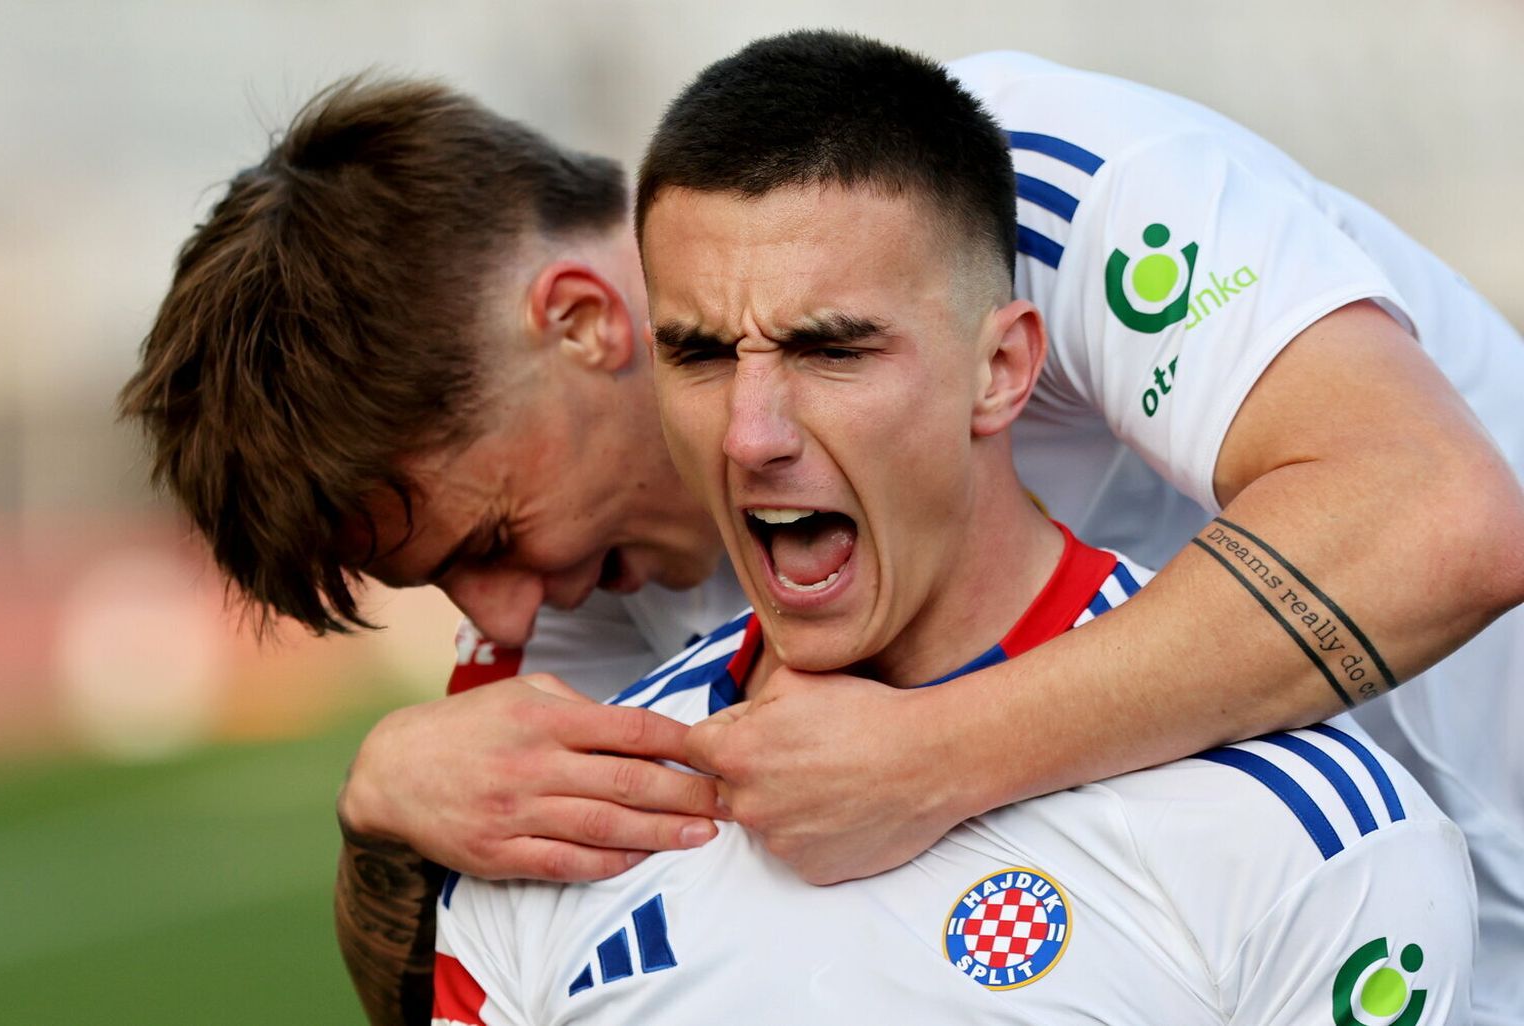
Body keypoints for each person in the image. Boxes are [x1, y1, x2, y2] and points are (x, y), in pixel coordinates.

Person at [118, 35, 1524, 1026]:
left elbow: (1443, 518)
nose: (498, 616)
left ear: (583, 322)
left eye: (486, 535)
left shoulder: (1016, 183)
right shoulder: (584, 615)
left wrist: (934, 755)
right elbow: (497, 973)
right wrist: (381, 826)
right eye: (438, 585)